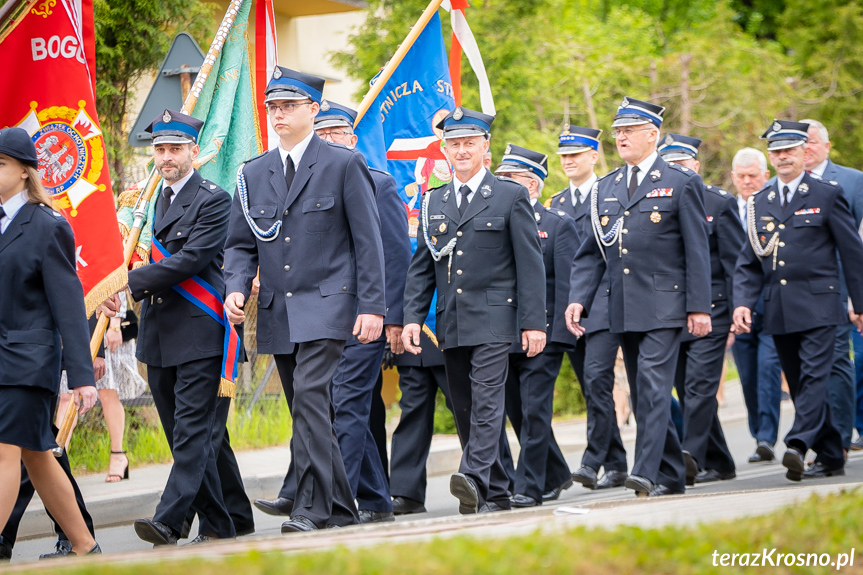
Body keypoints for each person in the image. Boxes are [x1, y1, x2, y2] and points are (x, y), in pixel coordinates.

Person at [224, 67, 386, 533]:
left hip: (331, 304)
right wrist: (236, 285)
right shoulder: (253, 172)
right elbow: (239, 244)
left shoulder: (342, 164)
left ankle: (311, 508)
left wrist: (373, 307)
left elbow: (367, 242)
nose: (278, 113)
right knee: (307, 408)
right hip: (280, 310)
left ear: (313, 109)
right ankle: (343, 508)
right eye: (273, 106)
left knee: (313, 399)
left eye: (288, 105)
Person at [255, 101, 410, 525]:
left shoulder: (376, 182)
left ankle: (310, 497)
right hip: (314, 313)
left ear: (352, 138)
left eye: (338, 132)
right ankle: (371, 498)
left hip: (360, 314)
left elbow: (392, 255)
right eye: (324, 132)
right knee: (332, 405)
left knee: (340, 403)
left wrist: (389, 315)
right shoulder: (292, 178)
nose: (330, 139)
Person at [402, 107, 546, 514]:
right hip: (452, 319)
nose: (461, 150)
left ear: (486, 147)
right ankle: (496, 491)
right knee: (463, 405)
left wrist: (533, 323)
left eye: (469, 143)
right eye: (454, 143)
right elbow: (423, 267)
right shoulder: (433, 201)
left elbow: (530, 265)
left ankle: (472, 475)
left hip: (497, 318)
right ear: (445, 149)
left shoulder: (509, 195)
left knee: (486, 399)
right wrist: (412, 317)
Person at [566, 97, 712, 497]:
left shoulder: (681, 182)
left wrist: (699, 307)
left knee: (651, 386)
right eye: (617, 131)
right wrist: (579, 297)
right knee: (642, 385)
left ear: (653, 134)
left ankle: (645, 470)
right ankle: (670, 474)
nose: (621, 137)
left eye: (629, 130)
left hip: (665, 304)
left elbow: (697, 250)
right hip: (621, 306)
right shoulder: (607, 186)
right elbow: (593, 252)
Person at [111, 110, 237, 545]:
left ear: (193, 152)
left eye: (175, 149)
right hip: (158, 333)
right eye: (160, 149)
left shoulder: (213, 199)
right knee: (184, 434)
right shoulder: (146, 201)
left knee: (192, 432)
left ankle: (169, 521)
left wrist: (128, 282)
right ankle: (222, 522)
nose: (166, 157)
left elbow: (192, 260)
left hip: (198, 329)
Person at [733, 119, 863, 481]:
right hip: (779, 307)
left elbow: (852, 253)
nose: (783, 156)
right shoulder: (761, 201)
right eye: (776, 151)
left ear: (805, 152)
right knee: (799, 378)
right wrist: (742, 302)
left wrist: (860, 303)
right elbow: (749, 261)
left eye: (789, 149)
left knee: (814, 375)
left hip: (821, 304)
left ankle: (797, 443)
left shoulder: (826, 193)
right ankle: (832, 454)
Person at [0, 127, 100, 556]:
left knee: (4, 453)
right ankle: (83, 545)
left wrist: (81, 376)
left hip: (27, 361)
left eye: (0, 164)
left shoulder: (47, 226)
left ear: (25, 171)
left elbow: (68, 305)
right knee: (37, 456)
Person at [493, 144, 577, 507]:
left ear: (532, 184)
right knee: (516, 411)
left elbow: (567, 284)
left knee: (534, 410)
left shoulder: (558, 225)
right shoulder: (495, 225)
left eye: (509, 179)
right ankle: (556, 473)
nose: (502, 186)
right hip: (504, 334)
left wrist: (557, 335)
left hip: (543, 334)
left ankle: (527, 487)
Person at [658, 134, 744, 484]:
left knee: (698, 388)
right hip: (674, 312)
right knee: (685, 389)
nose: (676, 170)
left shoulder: (718, 203)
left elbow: (737, 263)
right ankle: (721, 461)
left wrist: (739, 311)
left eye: (682, 164)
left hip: (715, 310)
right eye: (670, 165)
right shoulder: (658, 203)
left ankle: (688, 457)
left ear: (695, 166)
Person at [549, 125, 628, 491]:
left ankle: (593, 459)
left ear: (593, 156)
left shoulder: (608, 193)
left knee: (601, 381)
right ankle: (616, 462)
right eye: (564, 156)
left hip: (606, 303)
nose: (568, 162)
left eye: (575, 155)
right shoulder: (558, 204)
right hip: (572, 309)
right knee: (592, 386)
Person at [802, 119, 863, 454]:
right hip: (797, 294)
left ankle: (838, 440)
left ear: (826, 146)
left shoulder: (853, 182)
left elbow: (858, 243)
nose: (805, 149)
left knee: (838, 360)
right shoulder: (782, 185)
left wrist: (858, 295)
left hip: (839, 289)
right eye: (801, 143)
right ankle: (818, 437)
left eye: (811, 142)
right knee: (806, 367)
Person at [728, 148, 784, 463]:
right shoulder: (727, 209)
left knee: (767, 369)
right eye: (742, 176)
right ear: (734, 177)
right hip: (738, 309)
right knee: (748, 376)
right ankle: (757, 433)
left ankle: (767, 437)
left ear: (765, 176)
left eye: (753, 176)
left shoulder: (777, 205)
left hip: (773, 305)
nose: (748, 182)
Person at [57, 300, 146, 483]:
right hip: (76, 322)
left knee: (107, 392)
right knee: (67, 394)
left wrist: (114, 324)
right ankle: (58, 459)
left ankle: (118, 454)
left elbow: (117, 279)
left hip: (106, 322)